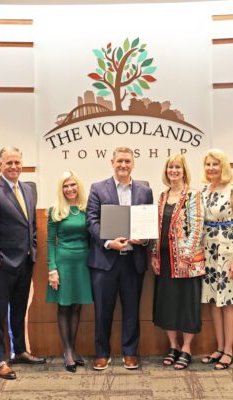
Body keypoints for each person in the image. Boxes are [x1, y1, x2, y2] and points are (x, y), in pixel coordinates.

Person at [0, 146, 45, 380]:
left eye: (17, 162)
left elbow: (31, 225)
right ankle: (0, 358)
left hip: (25, 262)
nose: (14, 167)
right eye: (9, 163)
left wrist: (32, 250)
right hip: (4, 265)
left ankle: (20, 351)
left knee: (18, 310)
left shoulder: (27, 189)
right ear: (0, 165)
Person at [86, 146, 153, 370]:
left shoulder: (145, 190)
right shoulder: (97, 188)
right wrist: (108, 242)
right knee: (102, 310)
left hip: (133, 260)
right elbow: (91, 221)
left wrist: (143, 240)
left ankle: (130, 352)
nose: (123, 165)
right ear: (112, 163)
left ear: (133, 164)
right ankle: (102, 353)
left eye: (127, 161)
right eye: (119, 161)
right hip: (105, 260)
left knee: (132, 309)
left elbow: (148, 224)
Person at [150, 154, 205, 370]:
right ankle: (173, 346)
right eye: (170, 167)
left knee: (187, 306)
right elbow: (156, 228)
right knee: (168, 305)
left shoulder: (193, 195)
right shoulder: (162, 197)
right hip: (164, 261)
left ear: (184, 171)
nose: (173, 171)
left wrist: (186, 256)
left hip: (185, 263)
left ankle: (187, 348)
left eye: (177, 167)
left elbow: (197, 227)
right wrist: (154, 254)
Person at [199, 148, 233, 370]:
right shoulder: (203, 190)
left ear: (223, 166)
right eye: (208, 164)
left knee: (228, 301)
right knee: (213, 300)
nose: (211, 168)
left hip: (228, 252)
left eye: (215, 164)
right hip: (208, 252)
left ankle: (228, 350)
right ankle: (219, 347)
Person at [46, 170, 93, 373]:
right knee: (64, 307)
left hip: (83, 263)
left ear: (78, 187)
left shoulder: (87, 209)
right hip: (63, 263)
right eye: (66, 186)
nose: (70, 189)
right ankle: (67, 352)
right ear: (61, 189)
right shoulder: (55, 210)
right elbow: (50, 241)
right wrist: (52, 268)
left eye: (73, 185)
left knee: (77, 307)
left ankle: (72, 349)